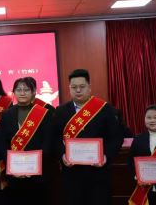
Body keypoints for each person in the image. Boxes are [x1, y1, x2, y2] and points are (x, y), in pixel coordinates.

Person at [52, 69, 123, 205]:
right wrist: (62, 155)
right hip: (72, 174)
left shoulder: (105, 109)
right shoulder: (61, 111)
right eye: (74, 87)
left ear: (89, 87)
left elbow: (116, 138)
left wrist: (106, 157)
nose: (78, 90)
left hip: (98, 173)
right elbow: (55, 138)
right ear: (69, 88)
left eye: (82, 86)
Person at [0, 78, 53, 205]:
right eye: (18, 90)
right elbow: (3, 143)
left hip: (38, 172)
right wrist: (11, 167)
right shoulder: (6, 114)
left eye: (26, 90)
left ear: (34, 92)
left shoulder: (44, 113)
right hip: (14, 173)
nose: (22, 93)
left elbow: (48, 141)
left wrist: (35, 165)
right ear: (13, 93)